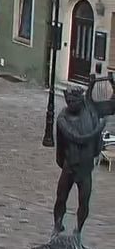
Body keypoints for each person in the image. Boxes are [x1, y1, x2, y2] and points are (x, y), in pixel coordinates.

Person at [52, 79, 115, 237]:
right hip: (70, 165)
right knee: (61, 197)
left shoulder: (90, 109)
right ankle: (57, 225)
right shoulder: (62, 119)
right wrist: (99, 129)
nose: (71, 104)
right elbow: (78, 138)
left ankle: (78, 230)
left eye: (74, 101)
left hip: (85, 167)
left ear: (81, 101)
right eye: (69, 101)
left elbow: (109, 106)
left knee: (84, 201)